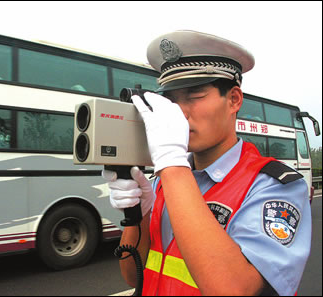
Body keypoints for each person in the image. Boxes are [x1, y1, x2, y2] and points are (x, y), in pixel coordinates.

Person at [102, 30, 311, 296]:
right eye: (172, 101)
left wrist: (172, 163)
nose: (179, 113)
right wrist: (139, 215)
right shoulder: (164, 181)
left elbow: (234, 290)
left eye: (194, 96)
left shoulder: (273, 187)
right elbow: (133, 275)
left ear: (234, 99)